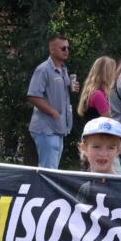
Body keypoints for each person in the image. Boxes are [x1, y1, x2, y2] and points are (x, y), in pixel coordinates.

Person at [26, 33, 78, 168]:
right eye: (63, 48)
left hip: (59, 127)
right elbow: (33, 95)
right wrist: (53, 112)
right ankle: (41, 190)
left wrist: (73, 88)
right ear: (52, 50)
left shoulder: (63, 69)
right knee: (48, 171)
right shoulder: (43, 69)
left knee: (52, 170)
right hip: (46, 128)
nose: (66, 51)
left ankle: (44, 189)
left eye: (67, 48)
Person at [77, 56, 116, 122]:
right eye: (113, 71)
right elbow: (109, 120)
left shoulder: (92, 92)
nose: (114, 74)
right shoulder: (98, 94)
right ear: (107, 74)